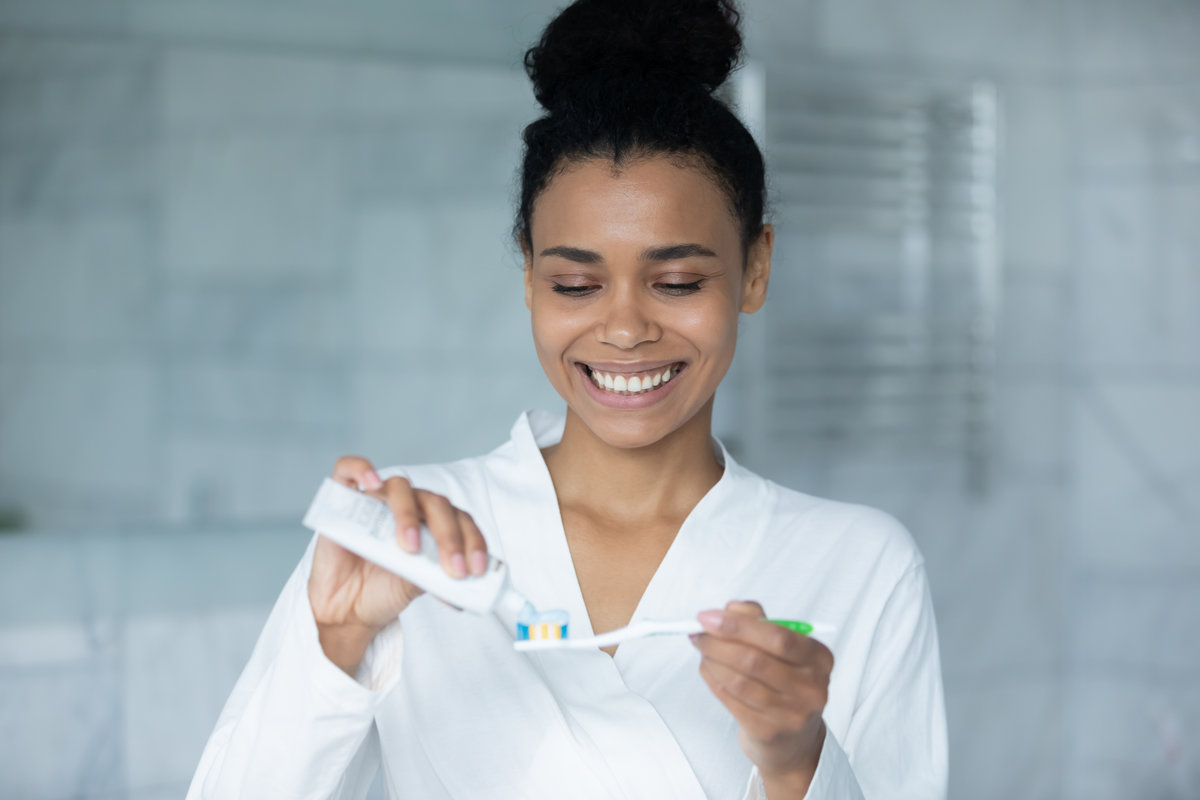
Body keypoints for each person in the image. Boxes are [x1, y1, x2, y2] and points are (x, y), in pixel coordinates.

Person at [187, 1, 947, 797]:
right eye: (575, 284)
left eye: (679, 281)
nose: (623, 328)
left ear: (755, 267)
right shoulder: (406, 541)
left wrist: (798, 763)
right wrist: (334, 644)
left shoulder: (859, 565)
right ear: (527, 274)